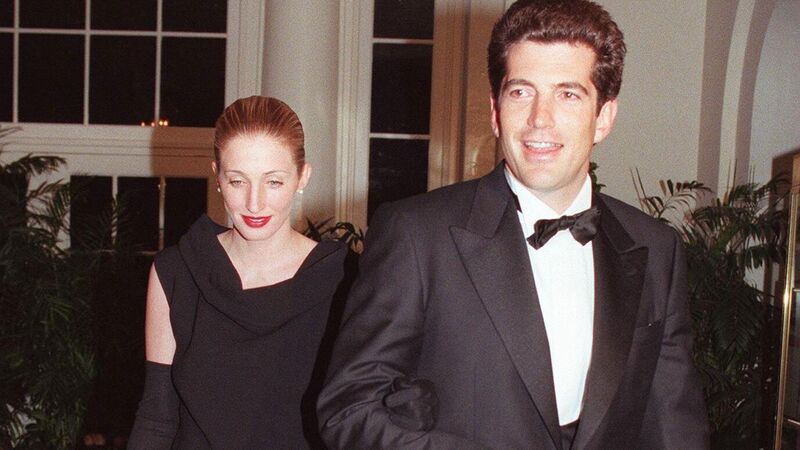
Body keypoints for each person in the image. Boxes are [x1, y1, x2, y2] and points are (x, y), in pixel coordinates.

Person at [317, 1, 710, 448]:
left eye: (568, 94)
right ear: (495, 111)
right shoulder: (416, 235)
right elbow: (349, 409)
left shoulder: (656, 248)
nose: (540, 119)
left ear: (603, 118)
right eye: (521, 92)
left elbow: (675, 425)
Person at [128, 96, 354, 449]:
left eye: (273, 182)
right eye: (237, 181)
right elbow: (157, 417)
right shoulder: (176, 271)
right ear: (217, 176)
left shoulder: (345, 278)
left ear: (302, 176)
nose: (254, 203)